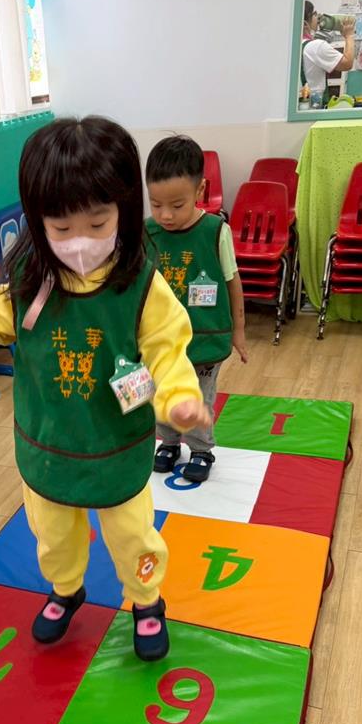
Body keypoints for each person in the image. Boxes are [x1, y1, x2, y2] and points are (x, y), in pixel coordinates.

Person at [0, 116, 208, 662]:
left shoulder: (140, 282)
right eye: (61, 227)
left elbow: (167, 349)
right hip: (49, 442)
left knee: (133, 533)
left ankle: (146, 600)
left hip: (115, 442)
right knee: (52, 532)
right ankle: (66, 590)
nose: (80, 242)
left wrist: (178, 400)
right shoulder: (32, 276)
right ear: (38, 220)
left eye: (97, 224)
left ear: (123, 210)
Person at [145, 136, 248, 483]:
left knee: (198, 397)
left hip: (205, 337)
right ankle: (169, 442)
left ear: (200, 189)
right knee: (161, 390)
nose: (166, 215)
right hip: (162, 340)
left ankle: (201, 449)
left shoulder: (216, 231)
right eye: (156, 204)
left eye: (177, 204)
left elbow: (232, 283)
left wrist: (239, 331)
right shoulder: (147, 233)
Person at [302, 1, 354, 108]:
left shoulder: (292, 48)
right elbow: (347, 63)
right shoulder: (316, 46)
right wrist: (349, 36)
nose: (318, 17)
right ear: (305, 24)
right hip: (315, 108)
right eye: (314, 14)